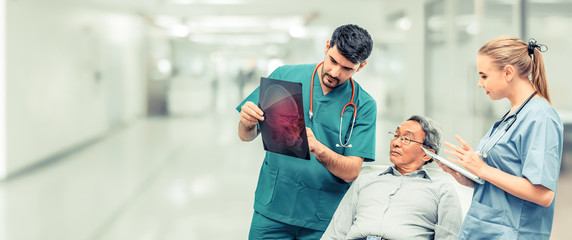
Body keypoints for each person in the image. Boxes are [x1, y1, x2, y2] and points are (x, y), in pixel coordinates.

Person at [237, 24, 377, 239]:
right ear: (327, 47)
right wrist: (246, 123)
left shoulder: (363, 105)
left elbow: (351, 171)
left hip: (324, 217)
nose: (335, 72)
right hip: (273, 207)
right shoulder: (285, 77)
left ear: (362, 66)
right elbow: (246, 136)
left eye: (347, 68)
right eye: (333, 61)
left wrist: (319, 150)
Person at [437, 36, 563, 239]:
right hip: (484, 228)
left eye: (484, 76)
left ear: (508, 72)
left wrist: (482, 169)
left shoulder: (541, 117)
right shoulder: (514, 113)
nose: (479, 83)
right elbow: (503, 179)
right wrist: (469, 176)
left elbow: (543, 194)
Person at [321, 115, 462, 240]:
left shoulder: (442, 190)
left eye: (406, 139)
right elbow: (335, 232)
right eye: (395, 135)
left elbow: (450, 237)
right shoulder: (365, 180)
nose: (395, 143)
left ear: (427, 154)